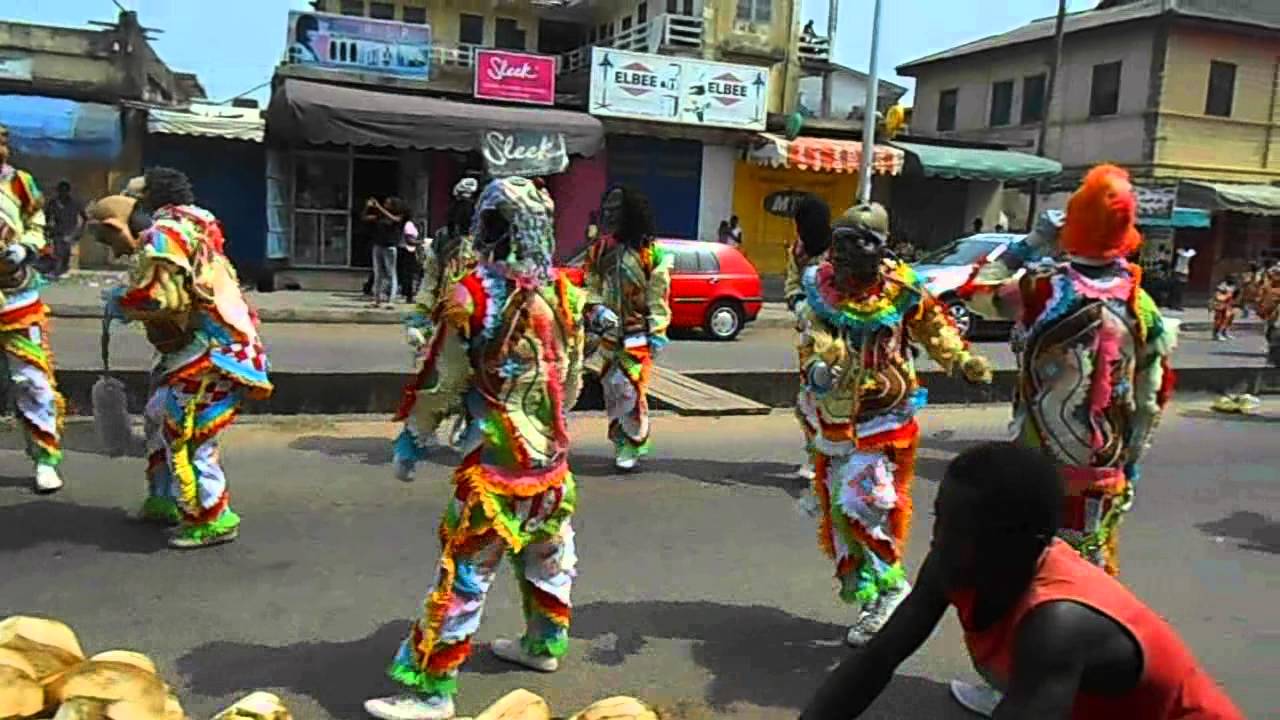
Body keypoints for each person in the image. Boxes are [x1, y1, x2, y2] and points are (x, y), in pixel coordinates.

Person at [801, 442, 1245, 720]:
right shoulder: (954, 563)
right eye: (941, 520)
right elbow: (877, 659)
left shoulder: (1058, 622)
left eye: (963, 529)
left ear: (1023, 543)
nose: (939, 540)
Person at [365, 177, 585, 720]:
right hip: (552, 464)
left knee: (465, 574)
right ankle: (542, 646)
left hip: (497, 467)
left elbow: (443, 381)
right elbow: (574, 382)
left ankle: (432, 690)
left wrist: (414, 438)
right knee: (548, 556)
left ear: (490, 228)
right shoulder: (566, 293)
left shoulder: (475, 295)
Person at [794, 202, 993, 646]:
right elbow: (811, 341)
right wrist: (818, 369)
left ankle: (892, 589)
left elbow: (935, 330)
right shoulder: (820, 288)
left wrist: (962, 362)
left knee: (863, 501)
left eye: (862, 241)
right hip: (836, 417)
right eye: (842, 240)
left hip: (888, 413)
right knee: (841, 516)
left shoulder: (903, 289)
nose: (848, 253)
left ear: (882, 248)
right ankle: (874, 595)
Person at [95, 167, 272, 549]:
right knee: (159, 415)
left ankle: (211, 517)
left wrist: (123, 304)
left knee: (187, 432)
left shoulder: (166, 234)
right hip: (195, 348)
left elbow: (163, 299)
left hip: (214, 351)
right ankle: (165, 499)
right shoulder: (190, 227)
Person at [393, 178, 479, 481]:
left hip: (483, 322)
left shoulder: (493, 241)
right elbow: (430, 283)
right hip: (448, 323)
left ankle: (472, 432)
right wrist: (419, 318)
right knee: (440, 382)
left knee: (481, 383)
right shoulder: (442, 242)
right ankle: (416, 437)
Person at [584, 186, 672, 471]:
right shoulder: (600, 250)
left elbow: (659, 296)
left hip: (638, 334)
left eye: (615, 210)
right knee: (611, 388)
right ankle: (620, 442)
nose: (609, 214)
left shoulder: (651, 254)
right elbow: (590, 284)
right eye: (606, 208)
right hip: (608, 334)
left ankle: (633, 442)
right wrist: (596, 308)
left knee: (629, 388)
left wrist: (657, 332)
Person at [0, 124, 66, 493]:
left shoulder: (19, 183)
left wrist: (25, 247)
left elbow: (37, 224)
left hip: (17, 298)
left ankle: (45, 458)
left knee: (32, 382)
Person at [782, 192, 831, 481]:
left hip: (839, 337)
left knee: (836, 401)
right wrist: (798, 303)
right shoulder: (798, 252)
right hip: (809, 338)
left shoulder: (840, 251)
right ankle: (814, 456)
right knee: (809, 399)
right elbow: (791, 283)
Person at [365, 196, 406, 307]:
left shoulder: (398, 216)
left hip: (390, 247)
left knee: (391, 273)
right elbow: (366, 218)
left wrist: (378, 207)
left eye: (388, 203)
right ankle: (376, 299)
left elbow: (394, 219)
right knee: (377, 274)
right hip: (378, 245)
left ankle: (391, 301)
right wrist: (368, 207)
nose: (385, 205)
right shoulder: (380, 215)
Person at [45, 180, 85, 277]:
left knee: (66, 251)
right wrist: (47, 228)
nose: (62, 193)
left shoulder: (74, 203)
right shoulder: (53, 203)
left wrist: (80, 231)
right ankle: (58, 271)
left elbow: (84, 217)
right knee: (59, 251)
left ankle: (63, 269)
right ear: (58, 191)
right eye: (61, 191)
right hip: (58, 230)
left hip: (71, 230)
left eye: (65, 191)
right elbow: (47, 216)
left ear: (68, 191)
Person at [396, 214, 423, 303]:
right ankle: (408, 295)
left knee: (407, 273)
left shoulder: (409, 225)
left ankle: (407, 293)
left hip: (405, 250)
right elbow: (410, 241)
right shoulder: (409, 225)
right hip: (407, 250)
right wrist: (421, 242)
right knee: (409, 274)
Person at [1168, 244, 1196, 310]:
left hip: (1184, 272)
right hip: (1178, 271)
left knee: (1180, 290)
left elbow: (1191, 262)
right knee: (1175, 289)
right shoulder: (1179, 251)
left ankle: (1177, 305)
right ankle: (1172, 304)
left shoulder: (1191, 252)